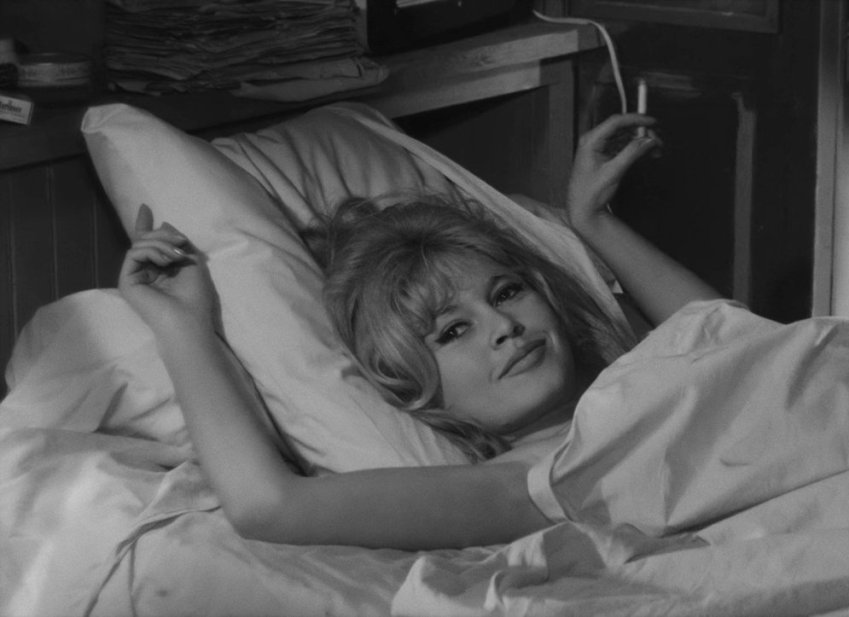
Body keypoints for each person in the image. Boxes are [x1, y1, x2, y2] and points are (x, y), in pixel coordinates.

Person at [118, 113, 720, 550]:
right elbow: (267, 507)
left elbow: (734, 334)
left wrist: (593, 222)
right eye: (453, 332)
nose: (504, 327)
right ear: (419, 391)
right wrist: (182, 329)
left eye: (507, 293)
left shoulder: (650, 370)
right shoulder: (525, 483)